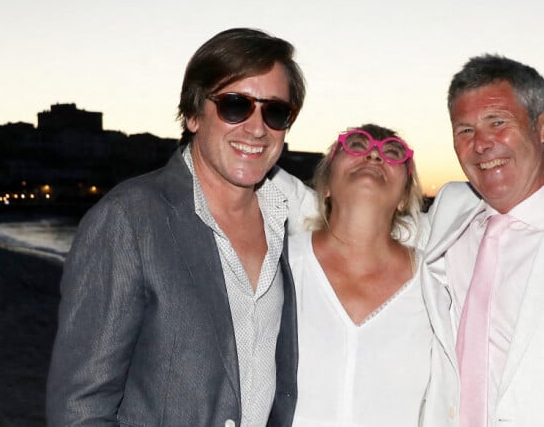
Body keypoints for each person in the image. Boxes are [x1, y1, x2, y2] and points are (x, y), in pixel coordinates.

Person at [46, 27, 316, 427]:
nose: (257, 128)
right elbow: (80, 409)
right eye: (235, 106)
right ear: (193, 114)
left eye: (275, 112)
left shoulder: (288, 222)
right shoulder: (130, 220)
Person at [420, 54, 544, 427]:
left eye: (498, 122)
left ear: (540, 127)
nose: (482, 144)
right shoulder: (450, 209)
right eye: (465, 130)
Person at [289, 123, 432, 427]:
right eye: (356, 145)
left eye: (393, 153)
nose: (374, 155)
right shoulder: (279, 267)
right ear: (325, 185)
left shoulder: (438, 285)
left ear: (405, 198)